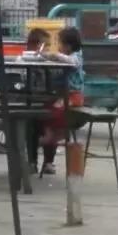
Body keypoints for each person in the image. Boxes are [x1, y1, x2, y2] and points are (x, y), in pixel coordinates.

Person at [36, 27, 85, 175]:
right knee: (47, 110)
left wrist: (53, 55)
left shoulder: (77, 56)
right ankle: (49, 141)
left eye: (61, 44)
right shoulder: (68, 56)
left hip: (73, 97)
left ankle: (50, 138)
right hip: (63, 96)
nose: (60, 48)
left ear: (68, 46)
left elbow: (70, 62)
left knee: (54, 112)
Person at [24, 28, 55, 173]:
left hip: (47, 102)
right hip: (29, 103)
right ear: (34, 46)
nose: (48, 49)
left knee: (51, 124)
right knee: (31, 126)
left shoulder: (50, 62)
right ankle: (32, 161)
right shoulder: (24, 60)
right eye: (45, 46)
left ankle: (48, 161)